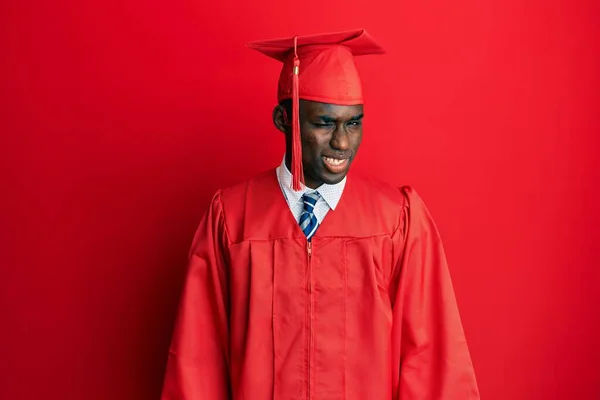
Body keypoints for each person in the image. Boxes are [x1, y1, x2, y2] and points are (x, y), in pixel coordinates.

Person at [160, 29, 480, 400]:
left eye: (354, 123)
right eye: (324, 123)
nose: (342, 143)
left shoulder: (395, 220)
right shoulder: (233, 218)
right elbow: (198, 360)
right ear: (283, 119)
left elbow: (431, 356)